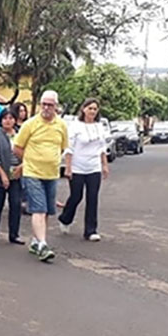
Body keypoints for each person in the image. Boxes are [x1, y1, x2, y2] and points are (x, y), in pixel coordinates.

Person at [13, 90, 69, 262]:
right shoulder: (30, 124)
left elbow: (62, 148)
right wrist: (29, 161)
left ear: (56, 107)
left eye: (50, 105)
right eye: (43, 104)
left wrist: (50, 159)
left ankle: (36, 241)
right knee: (38, 208)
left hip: (52, 173)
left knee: (47, 210)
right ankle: (43, 245)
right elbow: (17, 147)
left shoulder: (61, 126)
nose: (46, 107)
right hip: (32, 173)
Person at [58, 97, 110, 241]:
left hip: (94, 167)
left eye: (95, 109)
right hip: (77, 167)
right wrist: (68, 168)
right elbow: (69, 149)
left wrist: (104, 165)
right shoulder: (75, 126)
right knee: (76, 196)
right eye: (90, 108)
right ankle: (65, 218)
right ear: (83, 109)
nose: (92, 111)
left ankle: (91, 230)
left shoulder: (99, 126)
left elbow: (102, 148)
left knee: (92, 198)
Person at [0, 108, 24, 244]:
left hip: (16, 175)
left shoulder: (20, 134)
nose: (8, 121)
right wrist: (2, 174)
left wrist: (21, 167)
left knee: (15, 204)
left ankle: (14, 234)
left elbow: (28, 152)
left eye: (11, 118)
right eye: (5, 118)